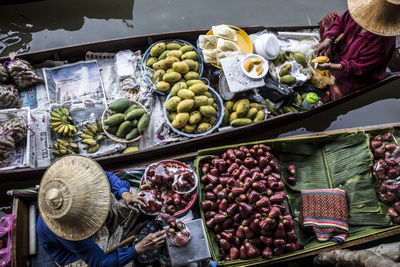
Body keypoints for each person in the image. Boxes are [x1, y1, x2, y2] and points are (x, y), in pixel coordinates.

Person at [36, 155, 166, 267]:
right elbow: (100, 262)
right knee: (120, 261)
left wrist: (125, 194)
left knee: (139, 197)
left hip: (96, 224)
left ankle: (123, 230)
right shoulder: (68, 231)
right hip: (78, 255)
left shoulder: (73, 176)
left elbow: (106, 177)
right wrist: (139, 248)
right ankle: (125, 236)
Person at [314, 0, 400, 102]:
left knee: (336, 93)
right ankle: (330, 54)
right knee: (330, 18)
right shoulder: (360, 12)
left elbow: (358, 67)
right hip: (342, 49)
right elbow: (341, 22)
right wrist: (329, 39)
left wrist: (331, 66)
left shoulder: (383, 42)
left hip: (358, 73)